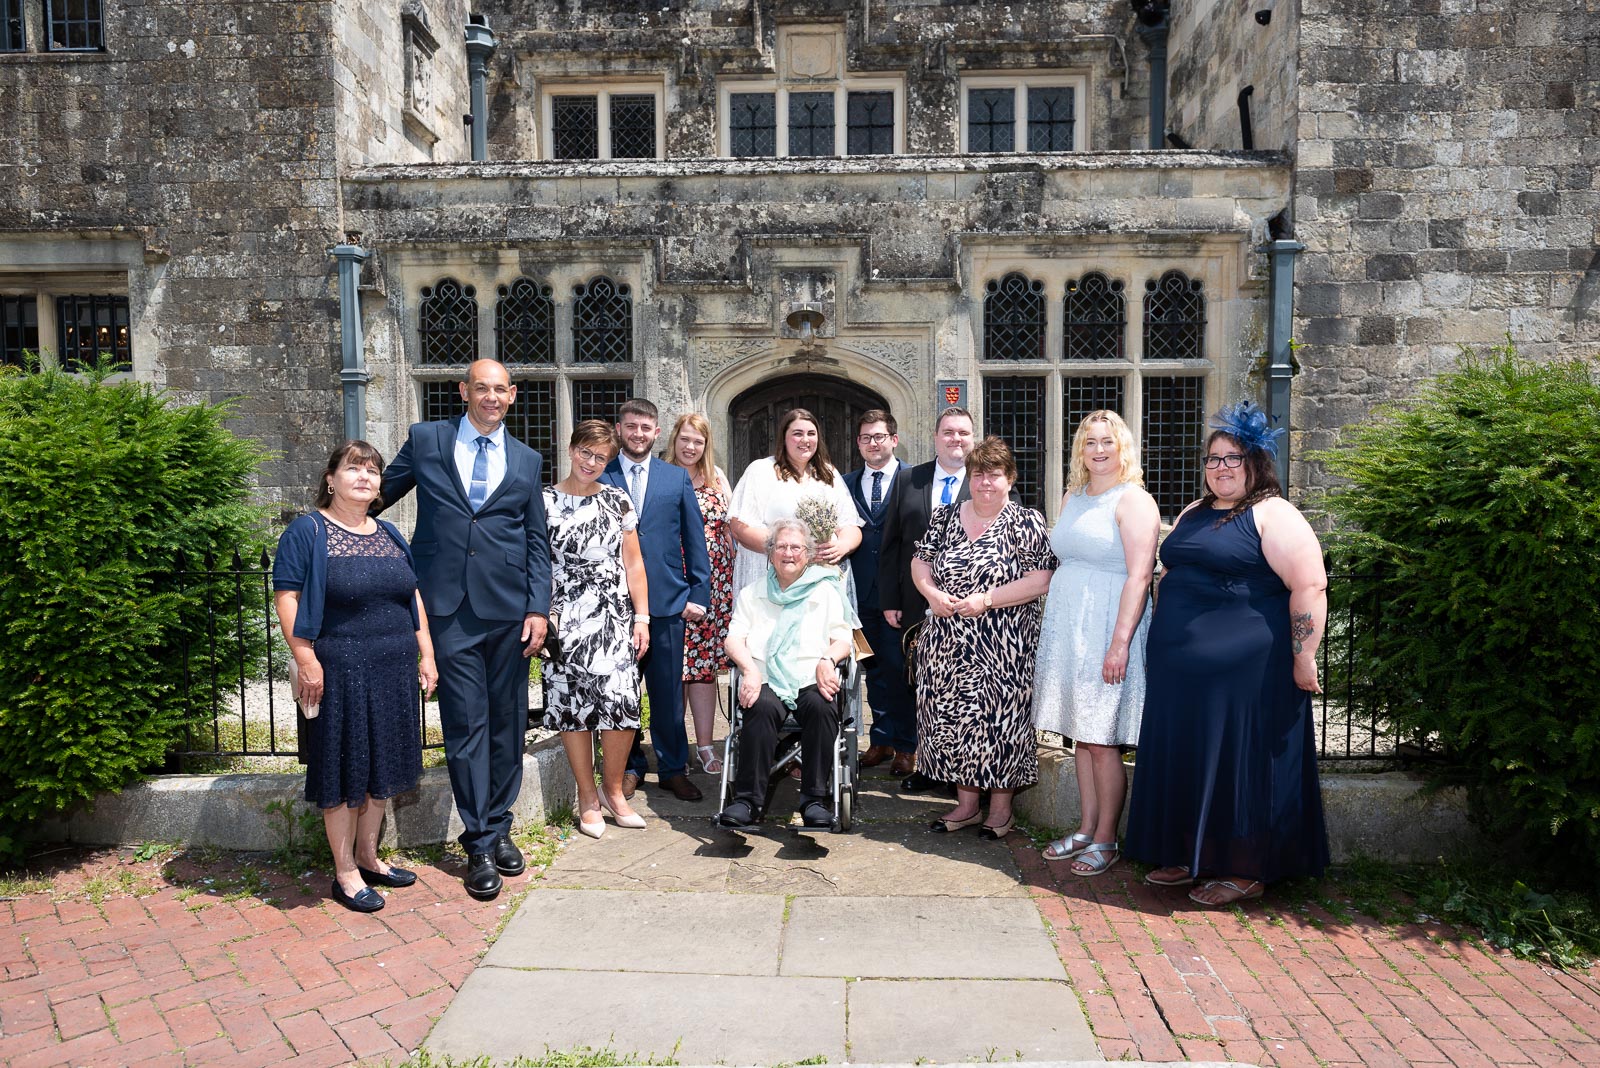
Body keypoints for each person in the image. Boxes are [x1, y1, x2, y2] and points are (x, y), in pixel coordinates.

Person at [1124, 400, 1330, 907]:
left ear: (1256, 464)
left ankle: (1244, 867)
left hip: (1247, 672)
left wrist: (1304, 658)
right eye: (1213, 459)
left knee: (1240, 762)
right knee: (1186, 756)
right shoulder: (1195, 511)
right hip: (1182, 672)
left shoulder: (1274, 514)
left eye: (1232, 458)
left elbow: (1310, 585)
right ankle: (1185, 852)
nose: (1220, 468)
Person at [380, 358, 552, 902]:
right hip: (448, 608)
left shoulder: (526, 460)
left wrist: (538, 608)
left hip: (508, 610)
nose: (491, 397)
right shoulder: (427, 440)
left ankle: (498, 826)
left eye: (501, 390)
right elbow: (377, 494)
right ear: (463, 391)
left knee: (507, 724)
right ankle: (478, 843)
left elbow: (535, 542)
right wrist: (334, 527)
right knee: (465, 724)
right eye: (482, 388)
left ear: (514, 395)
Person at [273, 441, 438, 913]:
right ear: (331, 479)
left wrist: (426, 655)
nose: (364, 477)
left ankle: (369, 856)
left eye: (373, 471)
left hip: (393, 668)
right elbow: (288, 597)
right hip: (339, 670)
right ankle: (344, 872)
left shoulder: (388, 532)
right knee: (346, 769)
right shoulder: (307, 532)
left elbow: (413, 598)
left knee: (381, 765)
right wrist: (305, 657)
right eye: (353, 468)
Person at [1031, 411, 1160, 877]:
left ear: (1122, 447)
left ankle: (1107, 839)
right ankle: (1085, 827)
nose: (1099, 450)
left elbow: (1140, 575)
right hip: (1071, 628)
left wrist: (1120, 643)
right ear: (1079, 450)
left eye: (1107, 442)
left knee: (1103, 740)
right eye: (1090, 442)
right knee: (1082, 737)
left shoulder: (1135, 501)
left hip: (1108, 625)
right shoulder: (1073, 496)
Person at [912, 436, 1055, 839]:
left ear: (1010, 478)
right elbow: (919, 561)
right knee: (955, 721)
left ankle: (1001, 811)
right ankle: (967, 805)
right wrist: (932, 593)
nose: (985, 483)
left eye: (994, 475)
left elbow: (1041, 579)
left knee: (1000, 724)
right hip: (946, 642)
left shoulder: (1026, 522)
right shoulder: (944, 517)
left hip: (1003, 644)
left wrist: (987, 600)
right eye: (978, 475)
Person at [543, 421, 652, 839]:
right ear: (571, 450)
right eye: (586, 453)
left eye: (601, 457)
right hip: (565, 616)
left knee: (621, 702)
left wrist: (641, 617)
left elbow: (635, 563)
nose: (592, 462)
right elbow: (537, 565)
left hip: (612, 614)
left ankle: (614, 790)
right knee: (574, 708)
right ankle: (587, 797)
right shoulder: (545, 501)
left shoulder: (617, 500)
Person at [602, 399, 712, 803]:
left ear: (656, 431)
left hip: (668, 603)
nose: (638, 434)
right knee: (622, 692)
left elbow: (693, 538)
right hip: (615, 606)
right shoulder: (602, 473)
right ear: (619, 428)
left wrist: (698, 592)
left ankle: (672, 768)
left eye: (646, 428)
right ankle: (629, 767)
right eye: (631, 427)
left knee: (667, 695)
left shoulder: (674, 478)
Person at [717, 519, 855, 830]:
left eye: (796, 547)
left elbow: (843, 639)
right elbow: (733, 639)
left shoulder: (826, 590)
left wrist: (827, 660)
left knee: (821, 705)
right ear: (770, 553)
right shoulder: (752, 593)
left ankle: (815, 801)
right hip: (764, 675)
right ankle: (746, 801)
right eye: (781, 546)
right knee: (760, 705)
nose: (788, 553)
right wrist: (749, 669)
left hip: (811, 674)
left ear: (808, 554)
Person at [842, 409, 916, 772]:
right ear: (859, 443)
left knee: (900, 669)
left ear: (894, 440)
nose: (873, 443)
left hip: (898, 599)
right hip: (856, 597)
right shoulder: (844, 483)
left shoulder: (914, 481)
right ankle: (881, 741)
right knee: (871, 669)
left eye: (880, 437)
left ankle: (907, 746)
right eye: (866, 438)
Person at [728, 407, 863, 602]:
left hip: (821, 577)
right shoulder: (761, 470)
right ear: (783, 438)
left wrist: (841, 545)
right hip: (775, 575)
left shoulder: (827, 473)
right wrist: (790, 550)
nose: (805, 440)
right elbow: (739, 527)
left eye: (811, 433)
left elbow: (850, 524)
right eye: (797, 434)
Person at [663, 412, 735, 775]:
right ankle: (674, 749)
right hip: (671, 582)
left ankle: (706, 746)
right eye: (685, 439)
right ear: (673, 439)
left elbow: (731, 529)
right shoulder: (659, 473)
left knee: (703, 670)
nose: (691, 447)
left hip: (714, 586)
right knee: (671, 670)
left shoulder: (717, 478)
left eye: (698, 441)